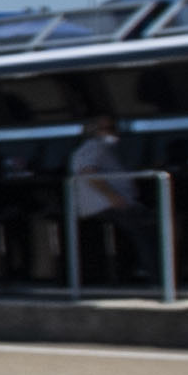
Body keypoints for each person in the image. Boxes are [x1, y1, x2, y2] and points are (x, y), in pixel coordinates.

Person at [67, 118, 134, 287]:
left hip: (107, 204)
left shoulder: (103, 148)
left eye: (113, 128)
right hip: (106, 204)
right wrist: (112, 196)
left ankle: (126, 274)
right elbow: (88, 171)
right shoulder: (95, 146)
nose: (113, 132)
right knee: (144, 230)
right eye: (108, 128)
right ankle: (158, 277)